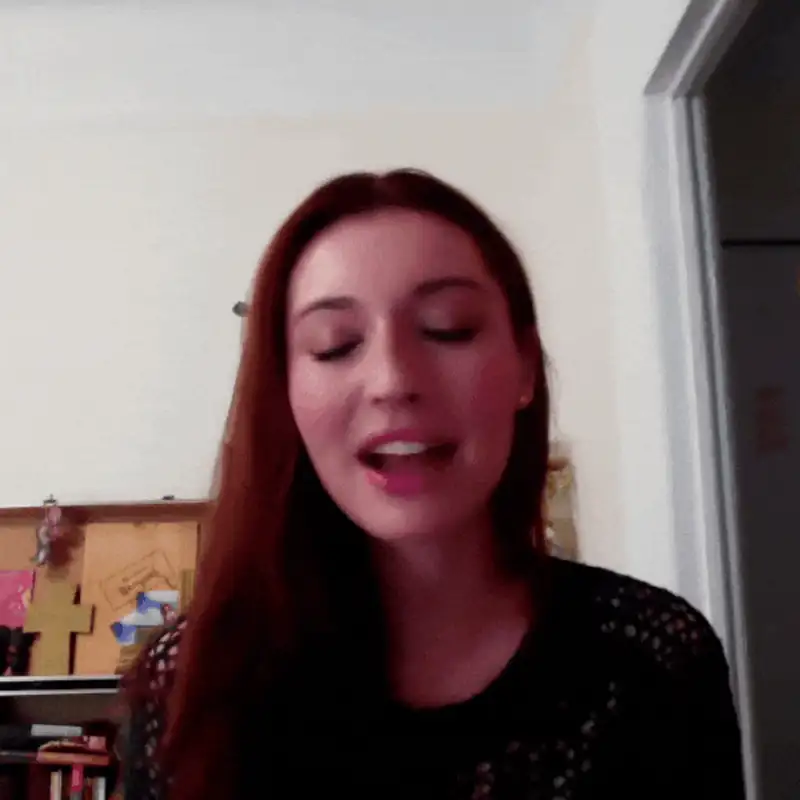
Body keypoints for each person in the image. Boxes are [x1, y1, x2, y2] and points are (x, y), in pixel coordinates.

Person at [121, 169, 745, 800]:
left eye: (448, 328)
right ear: (284, 391)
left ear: (525, 366)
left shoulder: (653, 660)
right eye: (335, 345)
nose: (393, 379)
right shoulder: (190, 689)